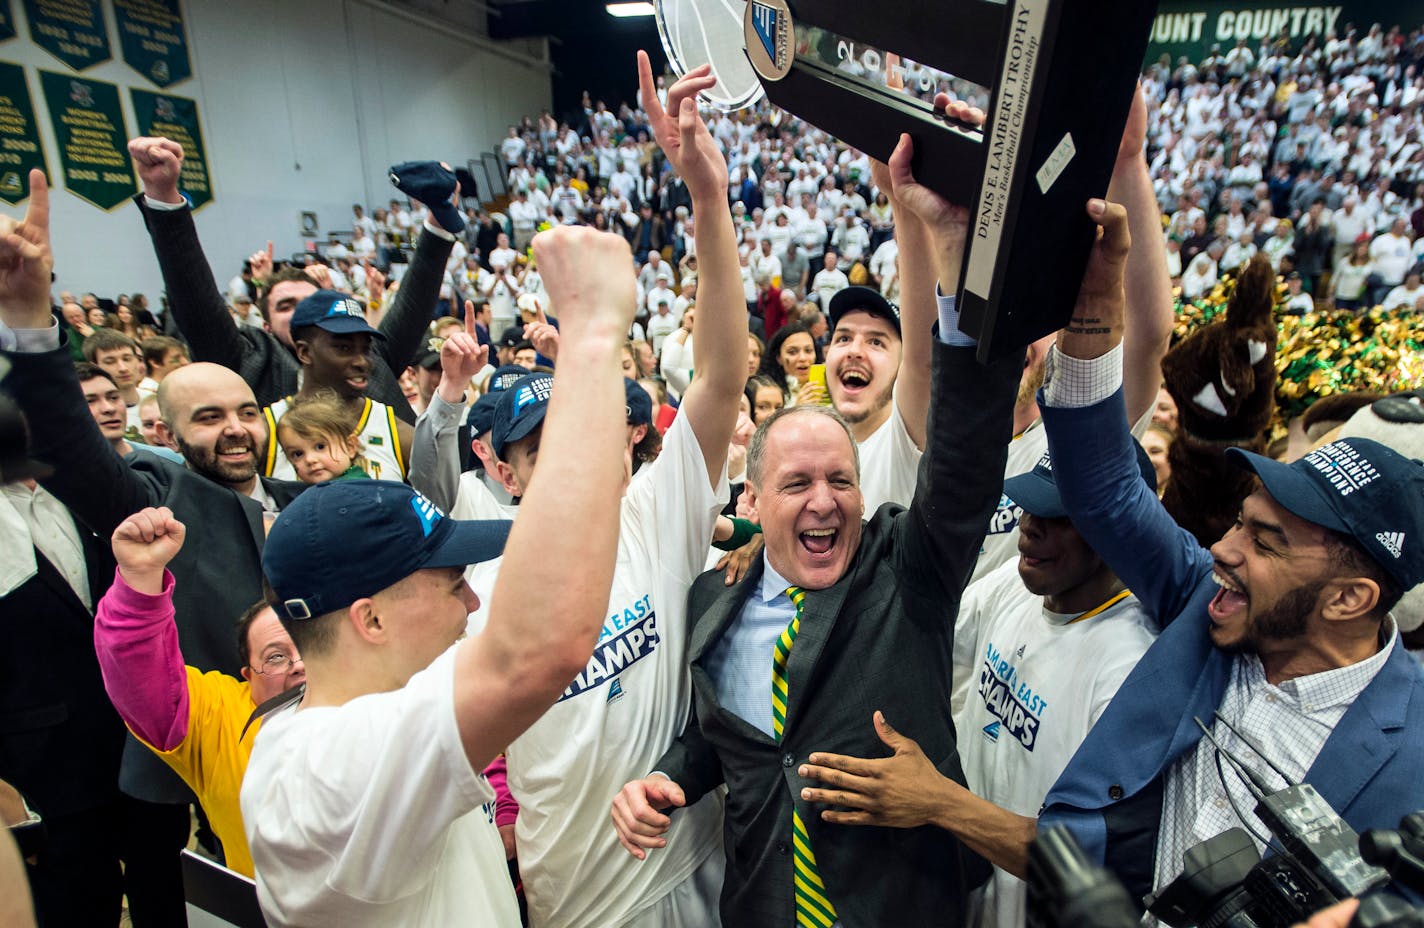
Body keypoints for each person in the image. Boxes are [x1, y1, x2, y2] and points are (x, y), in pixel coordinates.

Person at [610, 114, 1017, 927]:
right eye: (797, 484)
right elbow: (722, 740)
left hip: (905, 908)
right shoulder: (711, 602)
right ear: (752, 503)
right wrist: (665, 779)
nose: (826, 500)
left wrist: (954, 261)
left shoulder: (909, 567)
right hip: (764, 906)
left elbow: (965, 465)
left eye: (842, 479)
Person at [408, 56, 749, 927]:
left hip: (701, 864)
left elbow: (716, 378)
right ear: (502, 468)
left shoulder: (652, 516)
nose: (568, 452)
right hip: (581, 901)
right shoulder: (471, 591)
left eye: (580, 426)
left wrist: (709, 202)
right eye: (538, 445)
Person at [240, 222, 637, 927]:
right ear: (371, 618)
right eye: (451, 583)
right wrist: (593, 335)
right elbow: (543, 650)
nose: (473, 598)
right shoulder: (339, 767)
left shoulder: (330, 726)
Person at [127, 137, 456, 422]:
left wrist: (439, 217)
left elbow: (414, 302)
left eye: (310, 302)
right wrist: (163, 198)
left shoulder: (372, 356)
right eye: (286, 306)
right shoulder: (249, 359)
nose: (301, 312)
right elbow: (195, 302)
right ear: (266, 325)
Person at [93, 508, 307, 878]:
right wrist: (141, 574)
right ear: (247, 677)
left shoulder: (385, 695)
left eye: (311, 645)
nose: (300, 665)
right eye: (275, 657)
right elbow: (140, 668)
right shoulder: (219, 716)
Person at [257, 289, 411, 482]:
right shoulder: (267, 431)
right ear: (304, 352)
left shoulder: (397, 432)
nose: (362, 362)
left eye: (366, 349)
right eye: (344, 348)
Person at [274, 390, 373, 484]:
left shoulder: (357, 488)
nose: (310, 459)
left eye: (320, 447)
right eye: (298, 454)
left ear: (350, 446)